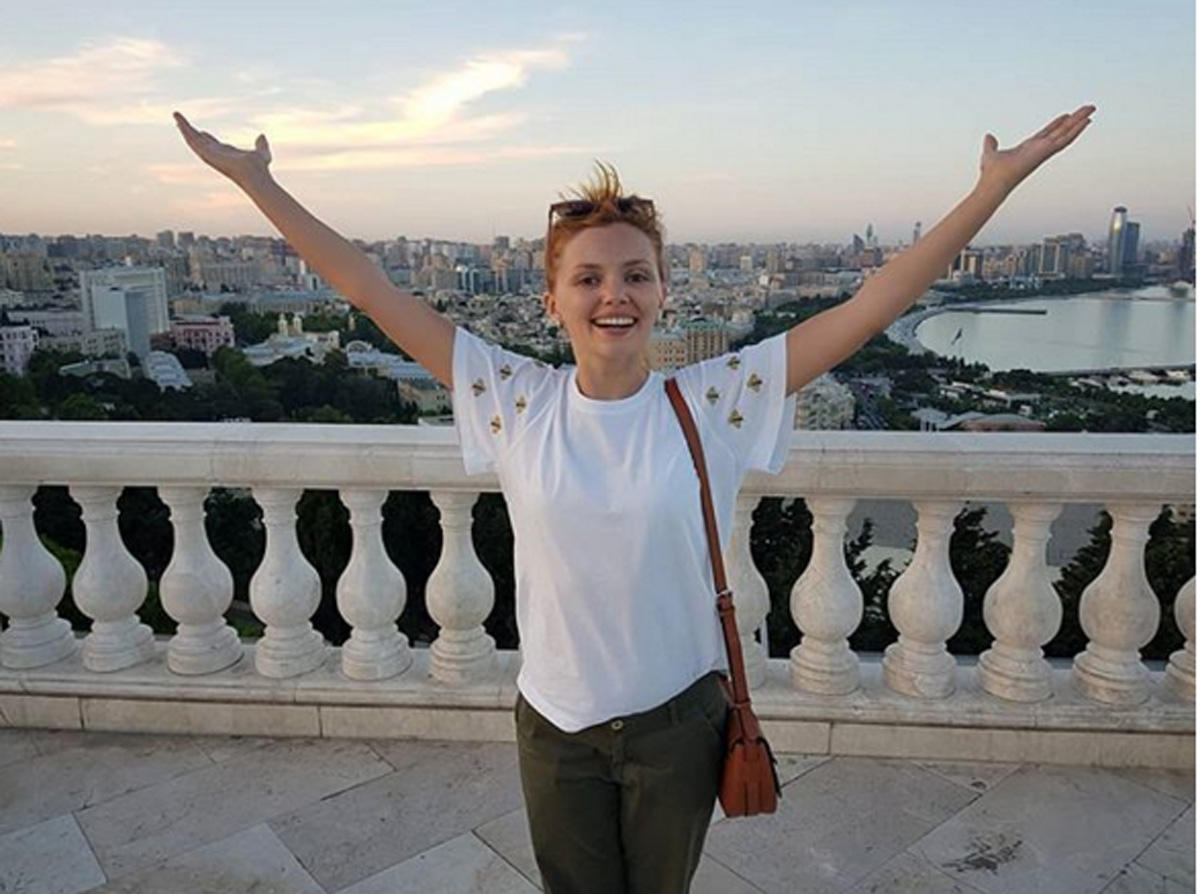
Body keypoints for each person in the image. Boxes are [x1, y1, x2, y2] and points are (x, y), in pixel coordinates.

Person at [174, 103, 1095, 893]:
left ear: (662, 293)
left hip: (677, 723)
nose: (613, 294)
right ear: (551, 300)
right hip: (556, 725)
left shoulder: (716, 402)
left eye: (635, 275)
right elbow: (369, 287)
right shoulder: (517, 401)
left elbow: (872, 305)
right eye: (588, 277)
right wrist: (259, 183)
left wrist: (992, 187)